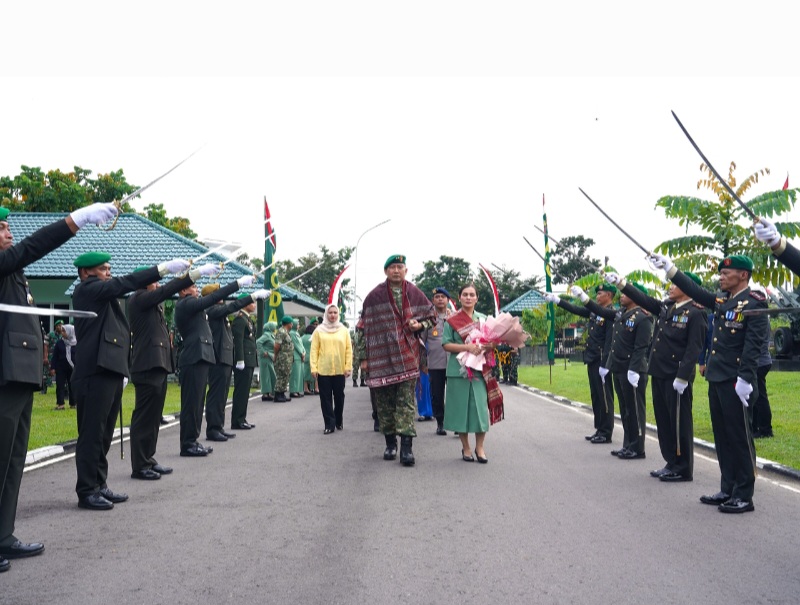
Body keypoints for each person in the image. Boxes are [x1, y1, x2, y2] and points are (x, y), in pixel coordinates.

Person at [0, 202, 117, 569]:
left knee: (13, 460)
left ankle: (3, 535)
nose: (9, 233)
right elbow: (35, 245)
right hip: (5, 374)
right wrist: (76, 220)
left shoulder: (12, 272)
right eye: (2, 228)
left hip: (20, 374)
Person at [650, 252, 768, 513]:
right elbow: (696, 291)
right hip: (717, 377)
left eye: (726, 273)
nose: (721, 277)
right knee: (722, 437)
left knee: (739, 437)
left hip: (737, 381)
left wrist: (746, 378)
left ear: (743, 275)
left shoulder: (754, 302)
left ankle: (744, 495)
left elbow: (754, 344)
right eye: (721, 273)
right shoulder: (723, 301)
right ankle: (728, 488)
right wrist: (671, 269)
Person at [72, 252, 191, 510]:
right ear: (84, 273)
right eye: (102, 269)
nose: (108, 273)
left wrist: (122, 368)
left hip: (110, 369)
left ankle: (99, 484)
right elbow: (123, 283)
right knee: (92, 433)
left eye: (108, 268)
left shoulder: (105, 298)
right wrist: (162, 268)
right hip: (95, 370)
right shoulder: (87, 290)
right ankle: (86, 489)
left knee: (104, 434)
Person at [604, 271, 707, 482]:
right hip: (659, 371)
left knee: (679, 422)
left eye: (675, 284)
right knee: (664, 420)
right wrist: (622, 284)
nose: (670, 287)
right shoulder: (667, 308)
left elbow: (694, 347)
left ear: (688, 287)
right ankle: (671, 461)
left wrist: (684, 376)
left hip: (676, 376)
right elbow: (644, 300)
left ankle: (683, 467)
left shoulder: (696, 313)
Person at [127, 262, 220, 480]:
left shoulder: (150, 302)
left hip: (158, 364)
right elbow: (166, 290)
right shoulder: (139, 298)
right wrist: (193, 274)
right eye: (153, 280)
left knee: (153, 417)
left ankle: (148, 459)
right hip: (147, 364)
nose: (157, 284)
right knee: (144, 418)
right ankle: (140, 464)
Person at [357, 255, 435, 466]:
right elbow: (361, 328)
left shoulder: (415, 293)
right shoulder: (373, 297)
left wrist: (419, 326)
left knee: (406, 403)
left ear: (406, 271)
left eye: (400, 267)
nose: (396, 271)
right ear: (386, 272)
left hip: (407, 356)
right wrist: (363, 358)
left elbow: (431, 317)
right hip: (380, 359)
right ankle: (390, 443)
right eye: (392, 267)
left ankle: (407, 449)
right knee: (384, 405)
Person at [174, 274, 255, 457]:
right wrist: (241, 287)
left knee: (197, 403)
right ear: (183, 290)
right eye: (193, 287)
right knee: (192, 404)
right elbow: (215, 302)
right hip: (194, 358)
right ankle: (188, 443)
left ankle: (192, 441)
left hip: (201, 358)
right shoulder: (187, 304)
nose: (196, 290)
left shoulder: (196, 308)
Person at [574, 282, 654, 460]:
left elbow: (641, 347)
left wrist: (633, 370)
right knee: (626, 410)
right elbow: (599, 311)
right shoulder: (621, 314)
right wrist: (582, 297)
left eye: (626, 293)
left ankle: (638, 448)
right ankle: (628, 444)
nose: (622, 296)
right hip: (619, 368)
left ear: (637, 296)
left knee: (635, 411)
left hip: (633, 370)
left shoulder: (643, 317)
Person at [544, 284, 617, 444]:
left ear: (609, 295)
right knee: (596, 395)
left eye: (600, 293)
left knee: (605, 397)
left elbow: (610, 342)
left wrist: (606, 363)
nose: (597, 296)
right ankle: (599, 428)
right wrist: (557, 300)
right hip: (591, 358)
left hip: (601, 360)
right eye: (596, 294)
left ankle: (606, 432)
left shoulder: (611, 313)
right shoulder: (595, 311)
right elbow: (575, 309)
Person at [442, 283, 500, 463]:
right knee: (461, 411)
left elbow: (493, 341)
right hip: (458, 370)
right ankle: (466, 447)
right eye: (465, 294)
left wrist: (491, 345)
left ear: (477, 298)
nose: (468, 297)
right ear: (459, 298)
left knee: (480, 410)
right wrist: (467, 347)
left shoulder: (483, 319)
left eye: (471, 294)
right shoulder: (451, 320)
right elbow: (446, 344)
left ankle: (480, 447)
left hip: (479, 370)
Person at [205, 287, 267, 440]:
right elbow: (238, 340)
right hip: (218, 358)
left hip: (225, 358)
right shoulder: (213, 310)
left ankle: (218, 426)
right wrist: (239, 359)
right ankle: (214, 428)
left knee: (223, 395)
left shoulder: (221, 312)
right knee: (217, 395)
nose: (222, 296)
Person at [310, 304, 352, 434]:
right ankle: (329, 424)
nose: (333, 315)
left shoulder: (343, 330)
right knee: (325, 398)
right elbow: (314, 350)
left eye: (335, 313)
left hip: (339, 370)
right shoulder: (319, 330)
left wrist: (348, 366)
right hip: (324, 369)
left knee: (339, 397)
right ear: (326, 314)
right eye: (330, 313)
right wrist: (314, 367)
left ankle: (338, 420)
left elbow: (348, 350)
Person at [421, 287, 452, 435]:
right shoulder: (428, 319)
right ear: (433, 300)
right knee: (437, 394)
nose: (440, 299)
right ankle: (440, 423)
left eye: (443, 297)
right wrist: (423, 362)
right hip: (435, 363)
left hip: (454, 362)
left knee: (454, 394)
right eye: (437, 297)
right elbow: (421, 342)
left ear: (448, 300)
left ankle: (456, 423)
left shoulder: (455, 317)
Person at [231, 296, 262, 430]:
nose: (254, 305)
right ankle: (237, 420)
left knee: (245, 392)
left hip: (249, 359)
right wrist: (240, 360)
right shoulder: (240, 319)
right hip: (243, 360)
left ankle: (242, 418)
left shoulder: (246, 318)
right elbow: (238, 342)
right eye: (252, 302)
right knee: (241, 392)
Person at [753, 325, 774, 438]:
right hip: (762, 360)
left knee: (760, 397)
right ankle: (756, 426)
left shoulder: (760, 317)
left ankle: (765, 429)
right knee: (756, 397)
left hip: (759, 361)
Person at [49, 323, 76, 410]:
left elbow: (80, 356)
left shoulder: (76, 343)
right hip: (61, 368)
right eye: (62, 331)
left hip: (72, 368)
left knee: (73, 386)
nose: (62, 333)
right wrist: (52, 368)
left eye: (64, 331)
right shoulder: (59, 343)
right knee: (60, 386)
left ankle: (73, 403)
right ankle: (60, 404)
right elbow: (55, 356)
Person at [273, 316, 295, 402]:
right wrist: (275, 355)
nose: (292, 325)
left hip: (287, 359)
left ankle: (282, 393)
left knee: (285, 376)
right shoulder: (281, 332)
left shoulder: (286, 332)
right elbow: (276, 345)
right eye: (291, 323)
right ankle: (278, 394)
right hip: (282, 359)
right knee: (281, 376)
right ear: (288, 324)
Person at [256, 321, 277, 401]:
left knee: (270, 375)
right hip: (265, 358)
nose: (275, 328)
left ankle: (269, 392)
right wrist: (262, 351)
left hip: (269, 357)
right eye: (274, 326)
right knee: (266, 376)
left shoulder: (271, 335)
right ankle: (265, 394)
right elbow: (258, 342)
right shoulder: (267, 335)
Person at [289, 319, 305, 398]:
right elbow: (296, 345)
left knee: (299, 375)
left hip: (300, 356)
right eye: (297, 324)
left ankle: (298, 390)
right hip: (295, 356)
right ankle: (293, 391)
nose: (298, 325)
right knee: (295, 375)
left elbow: (301, 344)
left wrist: (304, 352)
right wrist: (302, 353)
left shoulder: (297, 333)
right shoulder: (292, 333)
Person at [302, 323, 315, 395]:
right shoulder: (312, 337)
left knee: (305, 373)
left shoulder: (302, 337)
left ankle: (306, 388)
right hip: (312, 357)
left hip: (304, 357)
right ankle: (311, 388)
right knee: (312, 373)